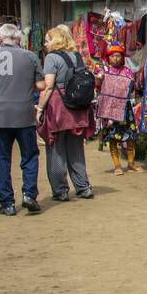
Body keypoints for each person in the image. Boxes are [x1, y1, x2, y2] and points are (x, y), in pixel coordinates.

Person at [0, 23, 44, 215]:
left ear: (0, 39)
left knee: (0, 159)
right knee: (29, 156)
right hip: (24, 114)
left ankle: (7, 203)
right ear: (19, 39)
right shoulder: (30, 56)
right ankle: (29, 195)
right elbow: (41, 84)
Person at [36, 25, 96, 202]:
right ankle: (83, 187)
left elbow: (48, 86)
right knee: (76, 148)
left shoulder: (51, 58)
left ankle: (60, 190)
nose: (45, 44)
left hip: (58, 107)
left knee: (55, 149)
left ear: (55, 41)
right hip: (78, 107)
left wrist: (39, 109)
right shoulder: (76, 56)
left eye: (47, 40)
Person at [95, 44, 144, 175]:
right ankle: (117, 165)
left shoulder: (127, 72)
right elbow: (98, 87)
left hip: (125, 109)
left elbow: (132, 89)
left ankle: (131, 163)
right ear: (108, 58)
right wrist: (99, 79)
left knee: (131, 136)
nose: (115, 58)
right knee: (112, 137)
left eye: (118, 56)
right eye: (112, 56)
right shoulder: (104, 71)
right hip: (110, 110)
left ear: (122, 57)